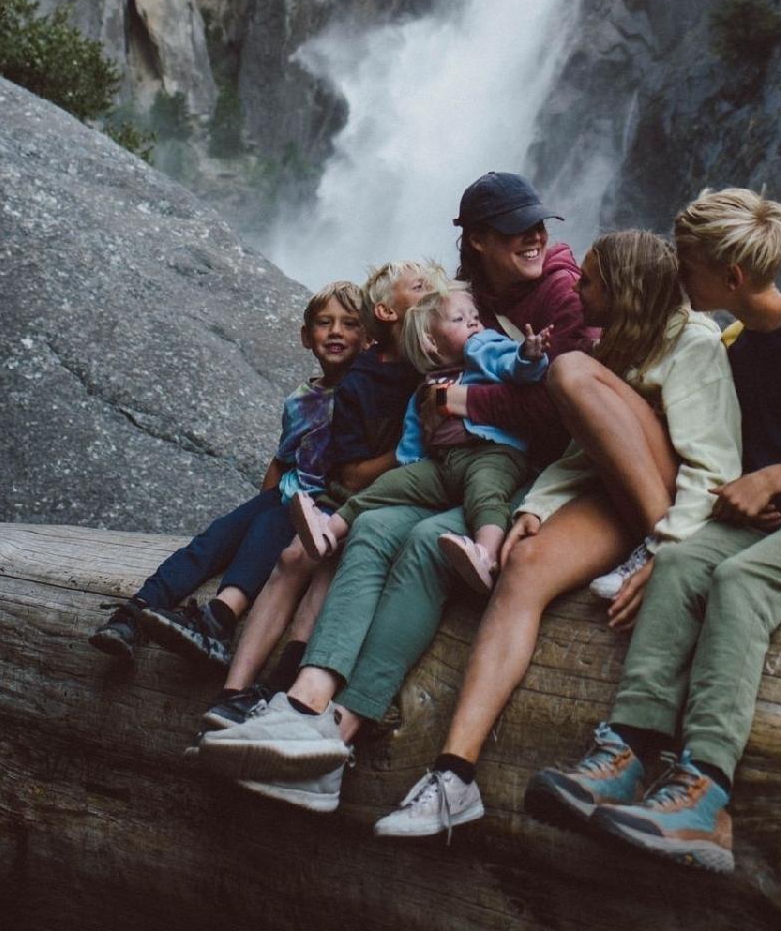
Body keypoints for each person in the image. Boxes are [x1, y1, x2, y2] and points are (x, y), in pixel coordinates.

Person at [527, 187, 781, 876]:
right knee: (679, 562)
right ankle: (628, 750)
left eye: (687, 266)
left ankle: (706, 792)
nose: (676, 276)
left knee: (738, 581)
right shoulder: (729, 342)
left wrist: (774, 480)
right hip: (769, 511)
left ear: (729, 276)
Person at [197, 171, 589, 810]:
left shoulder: (559, 291)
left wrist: (457, 399)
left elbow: (558, 404)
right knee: (375, 529)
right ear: (480, 241)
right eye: (518, 228)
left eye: (538, 224)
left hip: (523, 473)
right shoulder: (468, 298)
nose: (536, 237)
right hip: (450, 468)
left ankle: (339, 737)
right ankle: (305, 703)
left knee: (428, 545)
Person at [368, 225, 744, 838]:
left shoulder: (693, 343)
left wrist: (672, 551)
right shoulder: (618, 343)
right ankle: (454, 774)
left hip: (673, 507)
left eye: (590, 281)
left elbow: (714, 467)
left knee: (567, 372)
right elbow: (581, 452)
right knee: (522, 569)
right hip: (616, 499)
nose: (576, 288)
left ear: (620, 290)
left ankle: (650, 552)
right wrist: (533, 509)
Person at [197, 255, 446, 728]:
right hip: (355, 491)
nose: (436, 295)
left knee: (332, 565)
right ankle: (233, 692)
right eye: (421, 288)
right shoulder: (360, 381)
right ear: (389, 313)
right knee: (298, 559)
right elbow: (349, 476)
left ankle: (281, 689)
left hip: (404, 502)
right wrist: (405, 451)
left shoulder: (434, 358)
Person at [88, 282, 364, 669]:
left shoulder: (366, 393)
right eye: (324, 322)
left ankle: (219, 622)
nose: (336, 331)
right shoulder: (302, 397)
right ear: (306, 336)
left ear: (369, 338)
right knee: (214, 539)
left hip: (321, 508)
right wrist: (254, 511)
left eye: (350, 323)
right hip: (284, 496)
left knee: (267, 527)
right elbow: (282, 459)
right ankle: (134, 613)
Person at [293, 283, 552, 593]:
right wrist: (410, 466)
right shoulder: (428, 382)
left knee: (485, 492)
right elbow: (414, 434)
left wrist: (529, 355)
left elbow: (516, 368)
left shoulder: (487, 351)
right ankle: (329, 530)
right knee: (388, 485)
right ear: (432, 340)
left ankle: (486, 555)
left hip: (493, 453)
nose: (472, 322)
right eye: (458, 319)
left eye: (474, 317)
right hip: (443, 462)